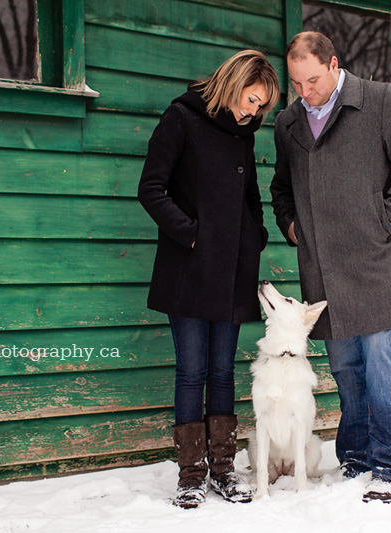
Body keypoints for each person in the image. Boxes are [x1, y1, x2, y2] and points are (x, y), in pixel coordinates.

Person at [270, 32, 391, 503]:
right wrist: (291, 227)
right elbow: (281, 187)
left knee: (382, 364)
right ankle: (357, 456)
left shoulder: (381, 100)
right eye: (297, 83)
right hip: (324, 270)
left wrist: (388, 217)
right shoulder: (288, 123)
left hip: (378, 262)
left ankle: (389, 462)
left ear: (335, 64)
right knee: (345, 368)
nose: (306, 92)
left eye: (314, 80)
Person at [138, 50, 280, 509]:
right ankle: (190, 474)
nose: (252, 111)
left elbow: (252, 199)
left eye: (261, 107)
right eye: (251, 99)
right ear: (233, 83)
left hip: (235, 268)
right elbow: (151, 189)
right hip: (191, 269)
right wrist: (192, 236)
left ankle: (223, 469)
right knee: (192, 372)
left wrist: (253, 237)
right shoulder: (182, 117)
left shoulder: (243, 135)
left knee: (222, 373)